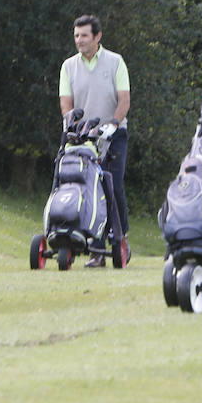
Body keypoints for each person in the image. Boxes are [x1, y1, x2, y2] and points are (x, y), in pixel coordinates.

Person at [59, 14, 131, 266]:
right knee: (85, 188)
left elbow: (124, 100)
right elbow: (66, 102)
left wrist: (112, 123)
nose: (79, 40)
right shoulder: (68, 66)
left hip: (113, 135)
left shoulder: (115, 62)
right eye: (76, 35)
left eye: (84, 36)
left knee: (112, 187)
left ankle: (119, 238)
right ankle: (93, 248)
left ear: (97, 37)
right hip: (83, 138)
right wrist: (72, 124)